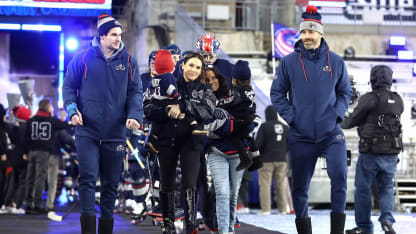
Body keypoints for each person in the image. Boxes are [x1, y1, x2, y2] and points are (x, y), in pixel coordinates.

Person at [270, 5, 352, 234]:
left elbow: (345, 92)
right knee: (300, 188)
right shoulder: (288, 62)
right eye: (303, 32)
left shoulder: (336, 61)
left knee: (340, 178)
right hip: (301, 135)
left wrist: (337, 114)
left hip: (331, 133)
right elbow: (276, 93)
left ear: (320, 33)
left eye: (311, 31)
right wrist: (292, 118)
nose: (306, 36)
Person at [62, 13, 143, 234]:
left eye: (120, 34)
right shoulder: (83, 58)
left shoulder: (128, 60)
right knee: (87, 179)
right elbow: (68, 86)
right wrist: (72, 110)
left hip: (116, 133)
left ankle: (106, 229)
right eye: (114, 35)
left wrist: (135, 115)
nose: (118, 39)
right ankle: (87, 230)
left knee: (110, 184)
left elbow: (136, 91)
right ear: (102, 36)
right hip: (86, 130)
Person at [143, 52, 215, 233]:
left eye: (198, 67)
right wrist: (167, 111)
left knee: (190, 184)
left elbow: (207, 112)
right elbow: (148, 108)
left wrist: (183, 106)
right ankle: (169, 227)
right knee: (167, 183)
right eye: (191, 65)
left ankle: (190, 227)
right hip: (166, 139)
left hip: (192, 142)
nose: (194, 70)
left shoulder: (205, 90)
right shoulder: (167, 82)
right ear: (182, 65)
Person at [342, 65, 403, 234]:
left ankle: (364, 227)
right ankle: (387, 221)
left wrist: (337, 117)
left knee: (362, 189)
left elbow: (349, 122)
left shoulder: (370, 98)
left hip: (370, 153)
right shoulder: (398, 100)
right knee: (386, 188)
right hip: (392, 153)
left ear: (373, 79)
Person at [204, 66, 248, 233]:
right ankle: (223, 231)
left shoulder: (233, 94)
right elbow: (206, 129)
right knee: (222, 193)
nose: (211, 81)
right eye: (206, 80)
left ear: (219, 78)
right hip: (216, 152)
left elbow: (246, 119)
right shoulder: (201, 100)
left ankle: (230, 229)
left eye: (213, 77)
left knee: (233, 195)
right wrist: (229, 126)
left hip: (237, 152)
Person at [24, 99, 70, 214]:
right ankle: (37, 205)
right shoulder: (51, 120)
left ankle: (29, 204)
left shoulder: (31, 120)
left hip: (31, 151)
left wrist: (26, 151)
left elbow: (26, 136)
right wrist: (73, 121)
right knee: (40, 178)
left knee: (30, 178)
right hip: (43, 152)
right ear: (47, 107)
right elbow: (64, 125)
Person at [217, 60, 258, 171]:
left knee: (235, 137)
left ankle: (245, 159)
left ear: (234, 79)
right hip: (249, 118)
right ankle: (257, 160)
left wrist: (219, 103)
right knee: (249, 137)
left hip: (241, 120)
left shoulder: (236, 91)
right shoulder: (250, 89)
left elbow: (231, 101)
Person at [256, 105, 289, 215]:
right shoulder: (285, 127)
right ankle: (283, 209)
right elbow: (290, 144)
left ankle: (266, 210)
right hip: (282, 160)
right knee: (280, 185)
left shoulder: (264, 127)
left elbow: (257, 144)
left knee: (265, 185)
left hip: (266, 160)